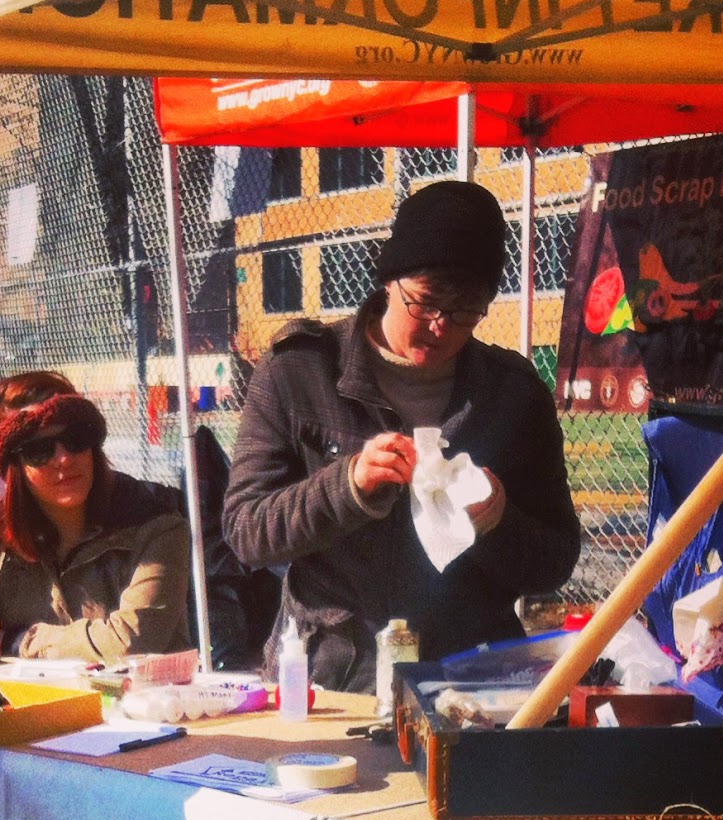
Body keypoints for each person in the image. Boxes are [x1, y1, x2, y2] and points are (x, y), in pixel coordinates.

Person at [222, 179, 581, 691]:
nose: (440, 328)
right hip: (332, 675)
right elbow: (245, 531)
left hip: (466, 679)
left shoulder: (513, 395)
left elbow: (555, 559)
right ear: (389, 280)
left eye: (465, 314)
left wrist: (499, 524)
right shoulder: (299, 372)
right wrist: (345, 487)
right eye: (425, 303)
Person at [0, 370, 192, 660]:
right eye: (39, 450)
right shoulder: (0, 542)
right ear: (13, 470)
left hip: (139, 703)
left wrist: (19, 643)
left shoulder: (155, 525)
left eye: (74, 439)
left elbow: (130, 643)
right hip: (33, 703)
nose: (64, 458)